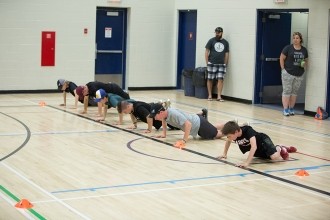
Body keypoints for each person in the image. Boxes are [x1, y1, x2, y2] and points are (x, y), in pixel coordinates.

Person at [217, 121, 297, 168]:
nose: (229, 138)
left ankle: (280, 148)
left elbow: (253, 146)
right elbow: (228, 141)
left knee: (274, 157)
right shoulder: (234, 134)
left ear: (236, 132)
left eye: (230, 136)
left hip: (263, 141)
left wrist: (246, 163)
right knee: (267, 159)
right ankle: (281, 148)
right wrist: (224, 154)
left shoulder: (248, 131)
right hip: (257, 150)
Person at [148, 103, 223, 148]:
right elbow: (164, 121)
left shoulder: (173, 114)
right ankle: (230, 125)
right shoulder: (165, 115)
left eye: (155, 116)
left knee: (217, 134)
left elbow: (188, 124)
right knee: (212, 128)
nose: (154, 118)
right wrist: (164, 134)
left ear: (161, 112)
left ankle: (232, 129)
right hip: (199, 122)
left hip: (199, 126)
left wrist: (184, 140)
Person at [280, 32, 308, 116]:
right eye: (294, 38)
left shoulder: (304, 50)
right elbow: (281, 58)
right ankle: (285, 109)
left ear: (300, 40)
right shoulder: (288, 48)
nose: (295, 40)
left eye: (297, 38)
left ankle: (291, 108)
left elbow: (306, 60)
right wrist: (283, 69)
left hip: (299, 73)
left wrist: (304, 66)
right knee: (287, 91)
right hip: (288, 73)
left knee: (294, 92)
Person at [205, 27, 230, 102]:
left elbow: (227, 54)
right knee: (210, 79)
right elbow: (206, 51)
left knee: (220, 80)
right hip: (211, 63)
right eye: (216, 32)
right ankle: (210, 95)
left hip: (221, 64)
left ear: (222, 33)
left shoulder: (225, 42)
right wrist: (207, 63)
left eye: (218, 32)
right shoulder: (211, 40)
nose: (217, 34)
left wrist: (225, 63)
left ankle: (219, 96)